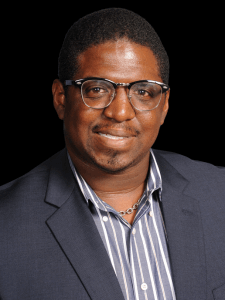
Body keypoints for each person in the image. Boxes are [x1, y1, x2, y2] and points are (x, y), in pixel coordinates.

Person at [0, 8, 225, 300]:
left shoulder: (220, 195)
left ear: (164, 106)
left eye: (143, 92)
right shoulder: (6, 228)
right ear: (60, 99)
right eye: (96, 89)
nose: (120, 112)